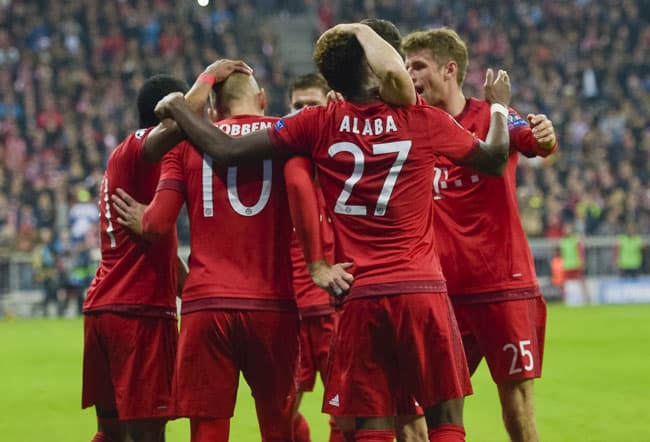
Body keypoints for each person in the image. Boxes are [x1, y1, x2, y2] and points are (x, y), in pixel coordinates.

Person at [153, 22, 512, 441]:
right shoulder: (423, 119)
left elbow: (225, 150)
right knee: (445, 420)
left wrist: (180, 105)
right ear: (375, 70)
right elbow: (494, 158)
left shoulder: (315, 124)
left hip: (359, 294)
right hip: (421, 290)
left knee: (370, 425)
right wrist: (499, 108)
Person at [114, 69, 306, 442]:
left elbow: (157, 225)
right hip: (273, 305)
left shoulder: (186, 144)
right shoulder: (288, 133)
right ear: (262, 98)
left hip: (206, 307)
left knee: (207, 429)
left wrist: (144, 217)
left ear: (214, 112)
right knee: (278, 427)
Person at [402, 28, 558, 442]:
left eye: (418, 65)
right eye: (405, 66)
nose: (409, 75)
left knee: (517, 403)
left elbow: (535, 141)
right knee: (419, 406)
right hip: (441, 292)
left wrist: (545, 133)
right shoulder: (413, 125)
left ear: (449, 69)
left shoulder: (493, 115)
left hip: (502, 285)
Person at [81, 74, 189, 442]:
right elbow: (171, 130)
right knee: (147, 435)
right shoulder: (139, 149)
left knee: (110, 434)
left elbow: (165, 256)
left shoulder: (140, 173)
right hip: (138, 312)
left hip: (107, 308)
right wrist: (207, 81)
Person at [286, 72, 340, 442]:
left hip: (332, 312)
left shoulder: (346, 165)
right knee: (280, 415)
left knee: (347, 417)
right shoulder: (278, 166)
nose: (305, 113)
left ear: (330, 106)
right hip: (287, 316)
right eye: (297, 106)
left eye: (312, 105)